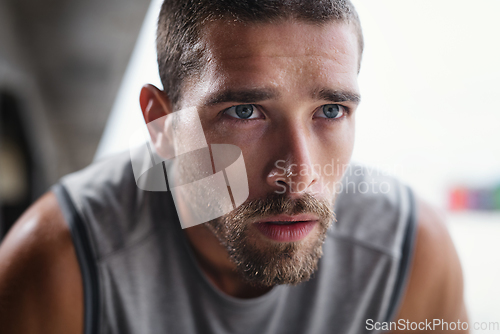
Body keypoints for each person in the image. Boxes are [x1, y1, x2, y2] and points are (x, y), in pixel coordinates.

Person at [0, 0, 468, 333]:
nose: (299, 172)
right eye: (244, 112)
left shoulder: (408, 256)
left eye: (330, 111)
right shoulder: (58, 266)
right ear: (162, 125)